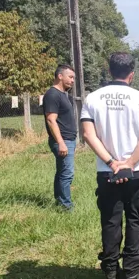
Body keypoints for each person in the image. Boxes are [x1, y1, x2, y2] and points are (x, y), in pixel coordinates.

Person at [80, 52, 139, 279]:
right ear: (131, 74)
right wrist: (130, 162)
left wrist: (112, 162)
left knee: (110, 221)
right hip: (138, 171)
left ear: (109, 70)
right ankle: (132, 272)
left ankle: (111, 274)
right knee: (136, 219)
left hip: (107, 172)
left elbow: (88, 134)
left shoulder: (93, 99)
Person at [43, 64, 77, 211]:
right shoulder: (52, 95)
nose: (73, 80)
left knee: (62, 172)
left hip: (68, 139)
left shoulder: (64, 94)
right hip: (63, 140)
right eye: (70, 77)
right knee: (67, 173)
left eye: (74, 78)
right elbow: (51, 119)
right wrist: (61, 142)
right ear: (60, 76)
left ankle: (60, 202)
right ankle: (66, 206)